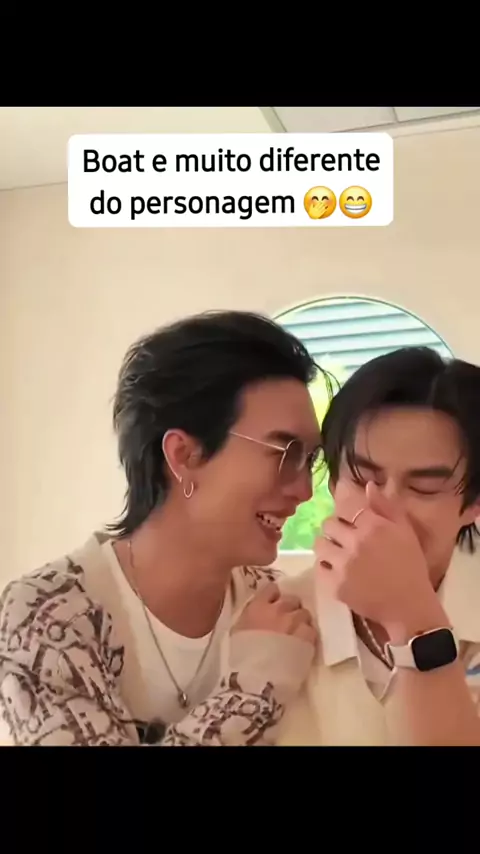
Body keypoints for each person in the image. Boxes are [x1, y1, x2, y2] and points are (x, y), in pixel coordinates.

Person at [0, 310, 327, 746]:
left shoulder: (281, 610)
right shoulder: (47, 616)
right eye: (285, 454)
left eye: (311, 459)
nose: (304, 490)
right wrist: (253, 686)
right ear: (183, 455)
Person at [273, 346, 480, 746]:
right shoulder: (278, 616)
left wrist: (413, 616)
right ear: (334, 480)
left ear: (474, 503)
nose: (384, 507)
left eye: (424, 487)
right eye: (361, 476)